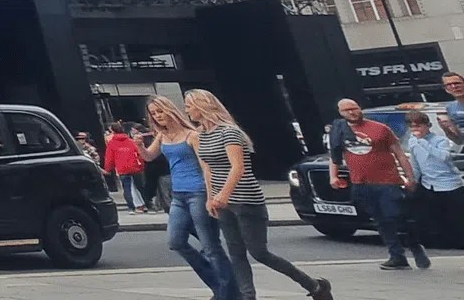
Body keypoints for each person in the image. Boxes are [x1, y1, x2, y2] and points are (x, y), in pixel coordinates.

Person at [186, 89, 332, 300]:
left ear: (203, 106)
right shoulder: (202, 135)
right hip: (221, 200)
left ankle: (313, 285)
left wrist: (224, 195)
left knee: (259, 252)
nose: (187, 110)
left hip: (245, 199)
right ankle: (247, 296)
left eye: (189, 106)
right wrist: (211, 197)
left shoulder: (229, 132)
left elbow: (239, 167)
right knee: (236, 253)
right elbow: (207, 168)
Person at [139, 96, 231, 300]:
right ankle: (219, 284)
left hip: (198, 191)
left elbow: (206, 166)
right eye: (154, 114)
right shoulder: (162, 136)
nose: (158, 116)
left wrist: (210, 196)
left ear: (170, 110)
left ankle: (227, 293)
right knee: (176, 241)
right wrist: (139, 146)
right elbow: (148, 156)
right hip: (178, 195)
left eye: (160, 111)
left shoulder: (192, 135)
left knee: (210, 246)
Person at [328, 96, 425, 269]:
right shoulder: (339, 131)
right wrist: (333, 176)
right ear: (340, 113)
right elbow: (334, 156)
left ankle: (414, 245)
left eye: (354, 108)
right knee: (380, 220)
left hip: (388, 181)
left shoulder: (380, 129)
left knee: (397, 217)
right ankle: (397, 256)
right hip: (361, 183)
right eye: (347, 110)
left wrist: (410, 177)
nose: (352, 112)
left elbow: (399, 154)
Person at [401, 109, 464, 248]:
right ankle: (435, 241)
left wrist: (423, 142)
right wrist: (413, 180)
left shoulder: (440, 140)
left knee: (455, 216)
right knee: (431, 214)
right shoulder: (412, 142)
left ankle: (458, 242)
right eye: (412, 126)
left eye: (418, 126)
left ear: (427, 126)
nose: (415, 129)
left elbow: (444, 157)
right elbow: (416, 163)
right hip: (429, 183)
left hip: (449, 183)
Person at [102, 121, 147, 213]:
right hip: (135, 166)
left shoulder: (112, 143)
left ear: (113, 131)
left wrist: (108, 169)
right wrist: (141, 166)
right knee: (139, 186)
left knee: (127, 188)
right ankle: (144, 204)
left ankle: (132, 207)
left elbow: (109, 158)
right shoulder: (130, 141)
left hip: (122, 168)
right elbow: (139, 154)